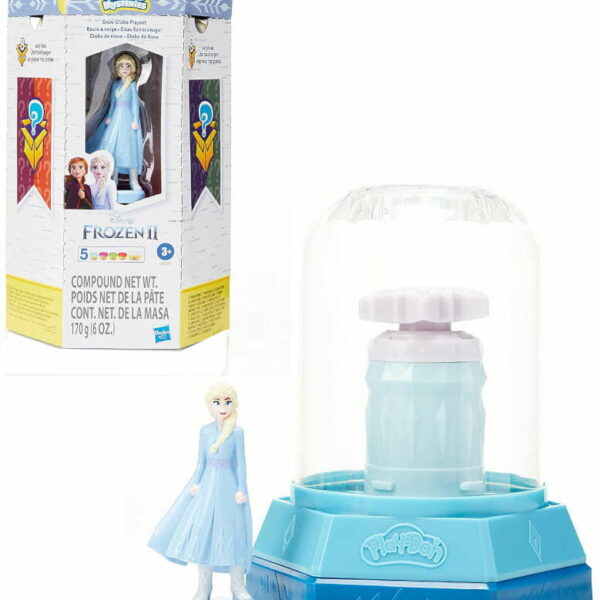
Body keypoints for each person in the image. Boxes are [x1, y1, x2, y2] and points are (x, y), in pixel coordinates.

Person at [149, 383, 253, 600]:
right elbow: (201, 462)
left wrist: (242, 488)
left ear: (234, 404)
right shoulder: (205, 431)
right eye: (217, 402)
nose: (222, 407)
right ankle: (204, 587)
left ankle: (237, 586)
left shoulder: (237, 432)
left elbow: (240, 464)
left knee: (233, 532)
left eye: (227, 402)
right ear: (210, 405)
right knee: (205, 532)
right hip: (207, 486)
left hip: (229, 488)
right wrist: (196, 483)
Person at [87, 52, 144, 191]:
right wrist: (110, 116)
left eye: (127, 66)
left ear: (132, 68)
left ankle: (133, 180)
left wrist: (135, 119)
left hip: (128, 117)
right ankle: (113, 179)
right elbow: (112, 103)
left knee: (129, 147)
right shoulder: (115, 85)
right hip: (116, 117)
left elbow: (135, 104)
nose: (124, 69)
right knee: (113, 147)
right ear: (117, 69)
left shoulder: (132, 85)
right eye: (121, 66)